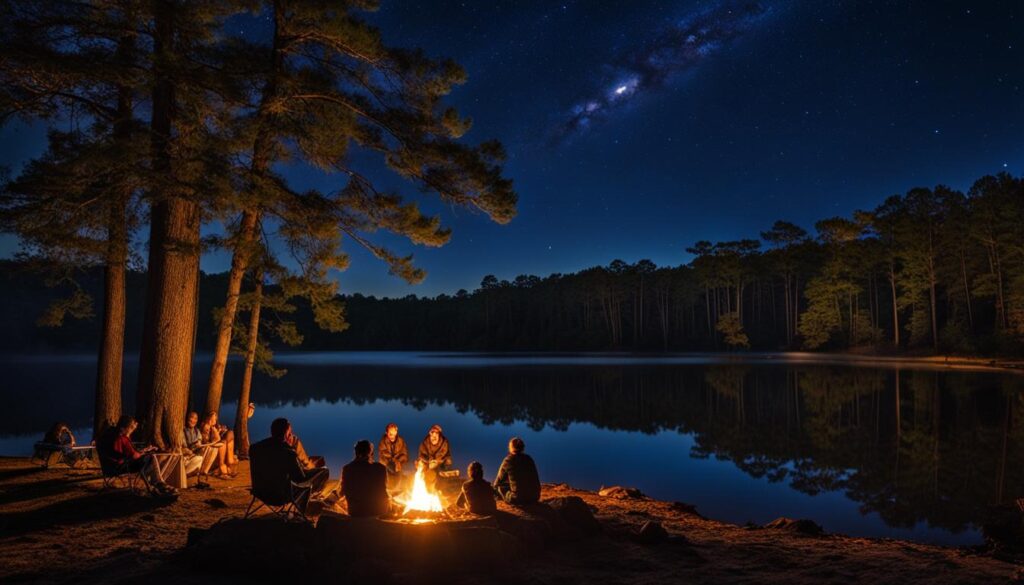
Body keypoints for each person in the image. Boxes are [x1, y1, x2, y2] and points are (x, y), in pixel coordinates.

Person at [249, 418, 330, 514]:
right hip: (280, 496)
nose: (291, 435)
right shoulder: (288, 452)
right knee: (324, 470)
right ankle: (309, 498)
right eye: (290, 432)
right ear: (286, 434)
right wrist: (292, 450)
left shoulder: (255, 448)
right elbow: (300, 478)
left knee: (311, 465)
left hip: (260, 491)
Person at [98, 415, 175, 495]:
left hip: (108, 467)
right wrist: (144, 453)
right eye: (130, 427)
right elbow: (134, 456)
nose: (132, 430)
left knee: (148, 458)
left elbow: (127, 452)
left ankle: (155, 482)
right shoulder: (122, 438)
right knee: (151, 457)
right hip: (121, 467)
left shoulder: (111, 434)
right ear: (124, 427)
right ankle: (158, 482)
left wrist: (143, 451)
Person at [340, 440, 390, 518]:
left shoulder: (347, 468)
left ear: (355, 452)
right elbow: (383, 490)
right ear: (370, 452)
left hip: (356, 511)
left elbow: (343, 491)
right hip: (378, 510)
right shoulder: (380, 468)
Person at [492, 437, 540, 505]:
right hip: (535, 497)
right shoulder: (529, 459)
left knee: (499, 487)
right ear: (523, 447)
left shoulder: (509, 459)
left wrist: (493, 488)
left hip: (518, 499)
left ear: (511, 447)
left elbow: (498, 480)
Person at [200, 411, 236, 477]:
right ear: (209, 419)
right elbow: (211, 441)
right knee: (224, 443)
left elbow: (216, 439)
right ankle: (225, 465)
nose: (215, 420)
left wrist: (219, 431)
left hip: (213, 444)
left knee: (230, 433)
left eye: (216, 419)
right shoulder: (206, 426)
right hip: (207, 449)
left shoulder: (212, 427)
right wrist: (216, 432)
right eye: (214, 419)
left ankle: (229, 463)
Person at [418, 424, 452, 489]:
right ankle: (427, 487)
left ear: (439, 435)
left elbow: (445, 454)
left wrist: (437, 461)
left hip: (441, 463)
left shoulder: (444, 443)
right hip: (428, 464)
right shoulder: (425, 443)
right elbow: (421, 455)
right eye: (432, 436)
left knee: (447, 463)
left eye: (436, 435)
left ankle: (442, 487)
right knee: (421, 467)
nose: (434, 438)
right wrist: (429, 460)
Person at [378, 423, 408, 490]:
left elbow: (405, 455)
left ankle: (398, 490)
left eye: (394, 434)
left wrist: (399, 462)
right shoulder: (382, 442)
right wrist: (391, 463)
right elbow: (382, 457)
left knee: (402, 476)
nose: (392, 436)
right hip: (387, 465)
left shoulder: (401, 441)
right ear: (386, 433)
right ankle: (390, 490)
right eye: (390, 434)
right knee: (391, 473)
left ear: (396, 432)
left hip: (399, 465)